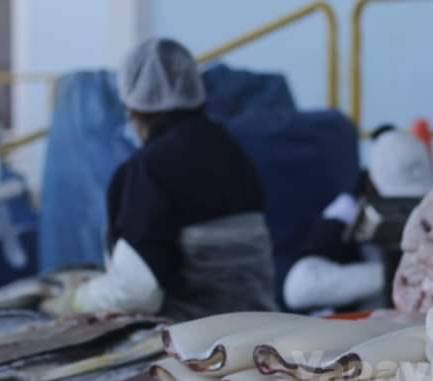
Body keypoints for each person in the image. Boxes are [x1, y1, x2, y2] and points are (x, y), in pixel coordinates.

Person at [44, 37, 276, 317]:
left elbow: (139, 291)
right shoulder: (234, 153)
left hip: (192, 344)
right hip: (257, 326)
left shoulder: (147, 170)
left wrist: (79, 299)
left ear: (132, 107)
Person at [281, 126, 433, 311]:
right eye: (396, 202)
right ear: (372, 185)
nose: (408, 213)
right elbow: (298, 290)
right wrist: (395, 274)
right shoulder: (344, 215)